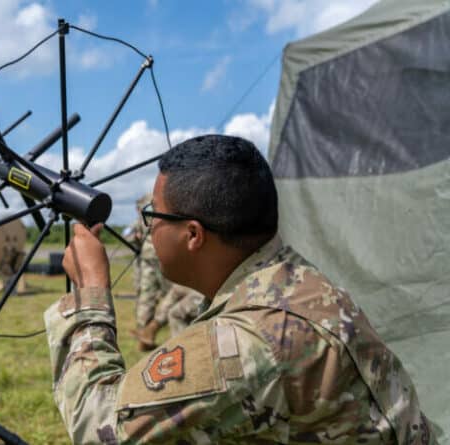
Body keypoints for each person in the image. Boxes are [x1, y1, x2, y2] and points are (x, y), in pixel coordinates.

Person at [44, 135, 434, 444]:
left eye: (153, 215)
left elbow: (99, 428)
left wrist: (90, 296)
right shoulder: (296, 279)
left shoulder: (246, 343)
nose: (149, 228)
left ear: (193, 234)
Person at [126, 193, 172, 351]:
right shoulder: (165, 214)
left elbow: (127, 236)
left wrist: (136, 238)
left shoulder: (140, 220)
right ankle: (147, 333)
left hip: (149, 258)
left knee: (147, 295)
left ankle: (144, 332)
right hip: (163, 256)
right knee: (170, 296)